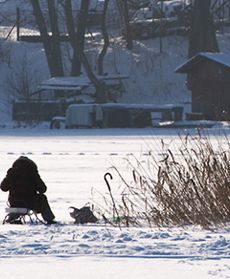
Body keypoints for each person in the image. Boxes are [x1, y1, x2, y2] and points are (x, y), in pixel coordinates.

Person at [0, 156, 56, 225]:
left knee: (17, 202)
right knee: (42, 198)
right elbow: (43, 189)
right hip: (30, 203)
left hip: (15, 202)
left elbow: (3, 188)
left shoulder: (11, 173)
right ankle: (49, 219)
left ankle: (12, 218)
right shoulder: (32, 173)